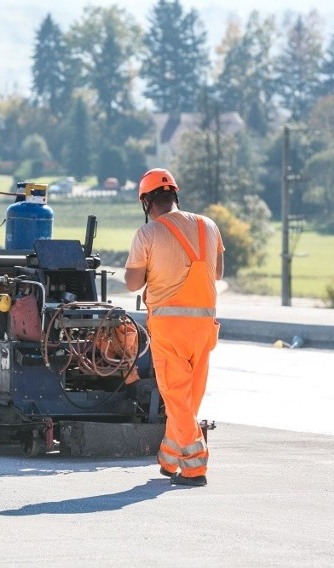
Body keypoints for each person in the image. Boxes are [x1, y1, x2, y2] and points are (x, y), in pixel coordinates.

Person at [124, 168, 224, 487]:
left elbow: (131, 283)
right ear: (174, 196)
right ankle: (170, 458)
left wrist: (154, 270)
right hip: (205, 327)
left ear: (146, 202)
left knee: (177, 399)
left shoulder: (148, 233)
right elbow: (218, 272)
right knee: (188, 400)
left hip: (170, 328)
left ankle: (195, 467)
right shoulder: (208, 225)